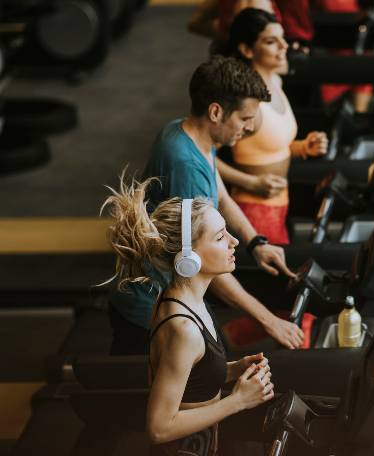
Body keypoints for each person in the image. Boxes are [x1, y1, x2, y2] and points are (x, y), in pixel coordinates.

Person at [108, 55, 305, 355]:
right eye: (244, 118)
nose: (250, 128)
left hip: (176, 297)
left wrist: (256, 243)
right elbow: (202, 262)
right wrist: (268, 321)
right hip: (152, 309)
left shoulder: (189, 134)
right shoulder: (185, 165)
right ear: (216, 112)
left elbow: (222, 198)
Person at [102, 177, 274, 455]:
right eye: (220, 237)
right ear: (188, 257)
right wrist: (238, 401)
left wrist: (232, 369)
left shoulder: (187, 300)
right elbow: (159, 428)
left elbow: (189, 378)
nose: (234, 241)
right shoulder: (183, 328)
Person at [216, 8, 328, 245]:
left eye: (283, 39)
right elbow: (202, 154)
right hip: (253, 211)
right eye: (271, 41)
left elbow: (270, 146)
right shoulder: (246, 102)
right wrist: (250, 183)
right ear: (247, 50)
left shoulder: (275, 81)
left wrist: (304, 147)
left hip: (281, 206)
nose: (284, 46)